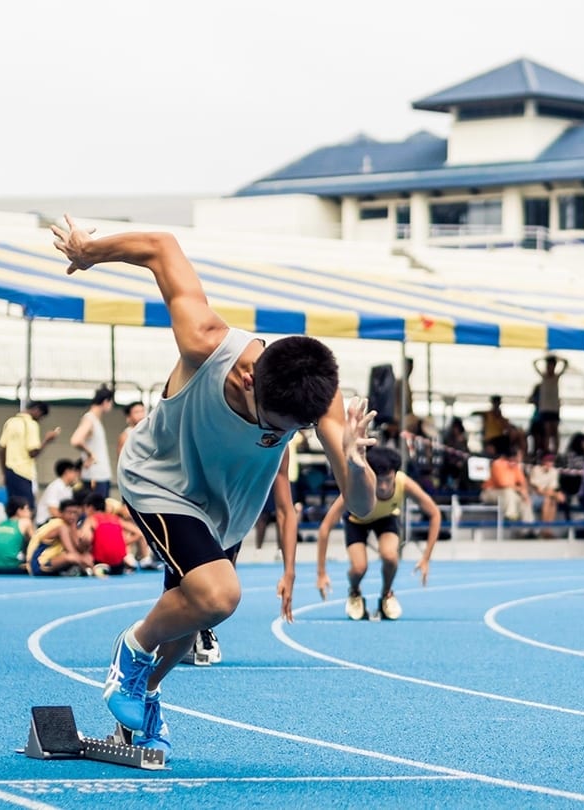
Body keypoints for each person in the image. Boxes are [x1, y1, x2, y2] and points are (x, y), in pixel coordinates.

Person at [50, 216, 377, 761]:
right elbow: (160, 246)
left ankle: (146, 694)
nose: (280, 435)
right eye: (274, 425)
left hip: (224, 507)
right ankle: (130, 650)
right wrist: (89, 251)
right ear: (250, 378)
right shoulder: (206, 342)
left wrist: (357, 462)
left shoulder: (318, 401)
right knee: (218, 594)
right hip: (158, 479)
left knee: (194, 608)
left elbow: (361, 507)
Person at [315, 446, 441, 621]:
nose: (382, 486)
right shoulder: (357, 486)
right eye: (378, 480)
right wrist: (321, 573)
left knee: (390, 557)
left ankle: (387, 594)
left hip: (386, 518)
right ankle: (355, 591)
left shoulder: (404, 483)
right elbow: (325, 528)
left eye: (388, 480)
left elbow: (435, 513)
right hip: (357, 521)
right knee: (359, 568)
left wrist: (426, 558)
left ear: (395, 475)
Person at [0, 401, 60, 510]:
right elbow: (33, 452)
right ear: (37, 410)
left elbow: (2, 449)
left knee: (14, 510)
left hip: (10, 472)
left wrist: (4, 473)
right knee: (28, 509)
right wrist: (47, 440)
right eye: (41, 416)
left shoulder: (10, 422)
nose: (40, 420)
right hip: (23, 473)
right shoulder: (31, 424)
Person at [26, 497, 95, 577]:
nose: (72, 516)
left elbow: (78, 548)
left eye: (75, 513)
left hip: (52, 562)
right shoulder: (59, 526)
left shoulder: (71, 526)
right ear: (60, 513)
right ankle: (90, 571)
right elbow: (72, 552)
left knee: (86, 556)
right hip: (38, 564)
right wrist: (87, 563)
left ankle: (82, 570)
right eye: (69, 512)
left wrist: (84, 543)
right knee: (71, 557)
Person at [72, 387, 116, 497]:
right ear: (106, 402)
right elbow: (76, 440)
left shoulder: (94, 420)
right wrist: (90, 454)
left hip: (100, 474)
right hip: (95, 475)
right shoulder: (90, 419)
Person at [481, 440, 531, 522]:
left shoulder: (515, 466)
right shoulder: (497, 464)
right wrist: (519, 489)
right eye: (516, 457)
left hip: (506, 494)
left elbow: (523, 482)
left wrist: (524, 492)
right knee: (508, 491)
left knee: (524, 500)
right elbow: (503, 484)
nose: (518, 460)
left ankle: (528, 528)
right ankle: (510, 516)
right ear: (509, 457)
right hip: (489, 493)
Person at [0, 497, 34, 575]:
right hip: (11, 568)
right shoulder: (25, 522)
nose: (30, 512)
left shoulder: (0, 524)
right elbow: (36, 542)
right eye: (27, 509)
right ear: (19, 511)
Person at [529, 354, 567, 457]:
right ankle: (546, 451)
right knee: (547, 432)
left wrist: (558, 358)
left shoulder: (556, 377)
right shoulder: (544, 377)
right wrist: (543, 358)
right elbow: (534, 364)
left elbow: (566, 364)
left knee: (554, 432)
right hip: (545, 409)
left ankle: (555, 452)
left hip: (554, 409)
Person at [82, 493, 129, 575]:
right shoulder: (115, 518)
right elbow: (138, 533)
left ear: (90, 507)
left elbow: (85, 537)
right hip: (119, 564)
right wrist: (123, 543)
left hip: (100, 562)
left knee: (83, 554)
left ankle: (92, 568)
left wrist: (86, 551)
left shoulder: (91, 519)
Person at [528, 452, 566, 537]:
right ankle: (545, 529)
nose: (550, 463)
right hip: (533, 497)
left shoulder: (554, 471)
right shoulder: (536, 470)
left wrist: (554, 494)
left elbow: (551, 488)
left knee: (551, 500)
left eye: (551, 461)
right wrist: (556, 495)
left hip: (547, 496)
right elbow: (538, 490)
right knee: (548, 499)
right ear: (543, 461)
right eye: (548, 461)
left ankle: (547, 529)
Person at [37, 459, 83, 526]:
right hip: (46, 522)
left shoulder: (68, 488)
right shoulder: (55, 487)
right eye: (74, 471)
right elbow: (53, 511)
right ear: (67, 472)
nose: (76, 475)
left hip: (59, 520)